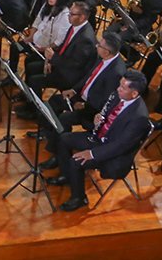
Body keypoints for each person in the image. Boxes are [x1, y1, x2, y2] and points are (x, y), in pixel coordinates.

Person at [46, 70, 151, 212]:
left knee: (76, 160)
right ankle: (67, 175)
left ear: (134, 94)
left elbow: (120, 146)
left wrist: (92, 154)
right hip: (100, 138)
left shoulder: (139, 117)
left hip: (113, 154)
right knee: (64, 139)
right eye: (119, 85)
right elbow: (107, 115)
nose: (118, 89)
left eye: (123, 87)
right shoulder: (117, 96)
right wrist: (98, 117)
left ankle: (79, 198)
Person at [40, 33, 127, 167]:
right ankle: (49, 135)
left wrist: (84, 105)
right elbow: (89, 76)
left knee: (64, 119)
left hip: (93, 109)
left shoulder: (116, 72)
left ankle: (59, 156)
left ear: (107, 52)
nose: (96, 46)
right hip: (83, 97)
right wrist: (74, 90)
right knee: (54, 101)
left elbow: (105, 100)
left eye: (100, 45)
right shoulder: (103, 58)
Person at [14, 0, 71, 78]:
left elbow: (59, 41)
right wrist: (31, 37)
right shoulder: (47, 5)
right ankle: (13, 73)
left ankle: (27, 84)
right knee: (15, 47)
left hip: (45, 49)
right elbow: (37, 22)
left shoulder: (65, 16)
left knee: (29, 61)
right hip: (34, 41)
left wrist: (44, 49)